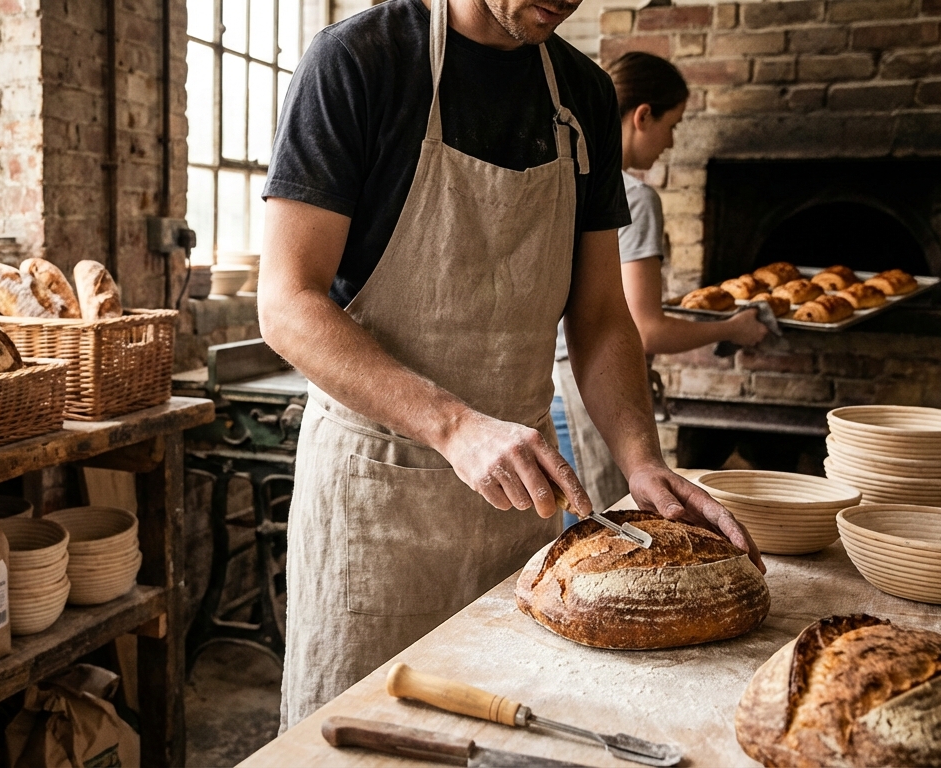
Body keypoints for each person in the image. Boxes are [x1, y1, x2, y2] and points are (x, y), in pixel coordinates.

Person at [257, 0, 765, 730]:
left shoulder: (583, 95)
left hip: (521, 504)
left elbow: (600, 314)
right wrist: (455, 426)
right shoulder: (357, 62)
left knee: (508, 730)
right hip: (377, 501)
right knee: (362, 735)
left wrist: (640, 461)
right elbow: (287, 303)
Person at [554, 51, 769, 514]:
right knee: (608, 534)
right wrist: (733, 328)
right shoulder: (634, 197)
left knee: (576, 537)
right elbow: (645, 329)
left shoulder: (568, 180)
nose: (670, 143)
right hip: (593, 394)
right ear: (643, 116)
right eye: (672, 125)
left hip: (555, 390)